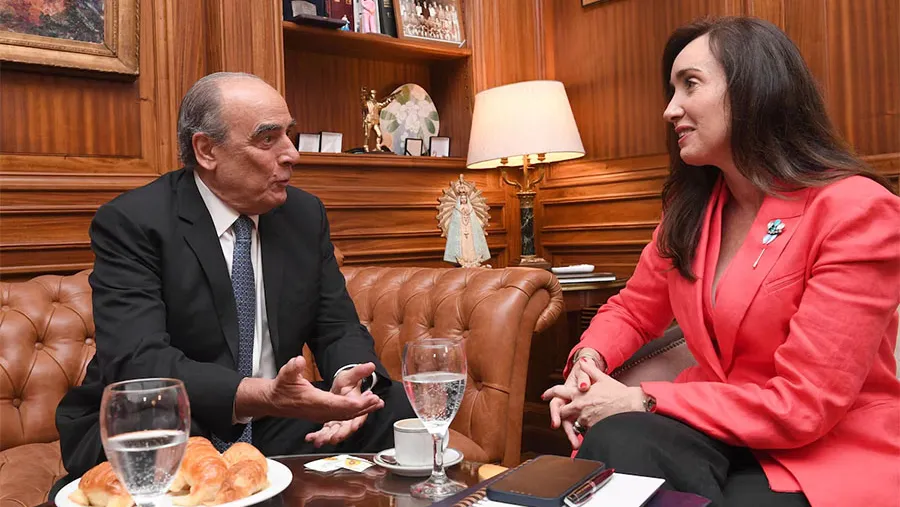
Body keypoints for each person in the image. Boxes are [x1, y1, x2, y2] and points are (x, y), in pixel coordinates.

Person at [542, 17, 899, 507]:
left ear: (755, 89)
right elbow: (634, 309)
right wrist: (588, 363)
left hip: (824, 447)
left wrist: (641, 398)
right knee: (617, 442)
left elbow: (804, 405)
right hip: (717, 428)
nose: (670, 109)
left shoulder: (856, 209)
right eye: (671, 90)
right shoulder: (691, 211)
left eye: (690, 84)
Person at [54, 72, 415, 492]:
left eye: (289, 134)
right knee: (151, 448)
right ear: (206, 150)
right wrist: (258, 393)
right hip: (169, 417)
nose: (291, 154)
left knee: (393, 408)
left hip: (274, 418)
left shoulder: (303, 215)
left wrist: (350, 379)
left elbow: (336, 325)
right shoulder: (134, 222)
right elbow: (139, 363)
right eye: (268, 139)